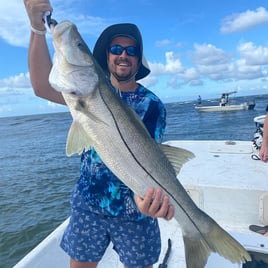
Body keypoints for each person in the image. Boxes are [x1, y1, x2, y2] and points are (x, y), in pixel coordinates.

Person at [24, 1, 174, 268]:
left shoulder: (152, 104)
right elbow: (39, 86)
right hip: (88, 204)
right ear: (107, 56)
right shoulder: (82, 91)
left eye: (131, 50)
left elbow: (151, 160)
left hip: (135, 213)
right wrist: (38, 29)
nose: (123, 55)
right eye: (116, 49)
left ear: (139, 59)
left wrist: (145, 201)